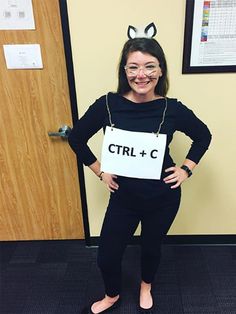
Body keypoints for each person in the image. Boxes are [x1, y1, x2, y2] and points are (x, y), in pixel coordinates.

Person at [68, 23, 212, 314]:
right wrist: (99, 170)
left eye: (149, 66)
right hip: (124, 196)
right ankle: (112, 295)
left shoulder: (172, 108)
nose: (141, 74)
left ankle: (146, 285)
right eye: (133, 67)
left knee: (151, 248)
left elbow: (203, 135)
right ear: (124, 71)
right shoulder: (108, 104)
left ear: (160, 71)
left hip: (163, 195)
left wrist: (185, 169)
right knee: (107, 256)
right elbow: (77, 137)